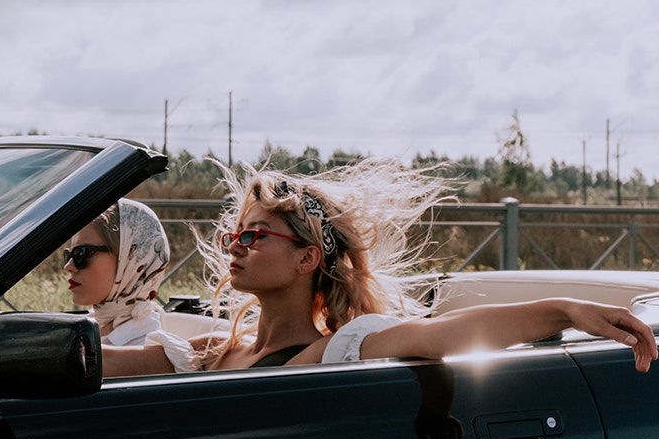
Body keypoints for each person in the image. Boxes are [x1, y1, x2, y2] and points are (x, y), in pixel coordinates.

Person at [103, 159, 657, 377]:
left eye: (255, 235)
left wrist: (563, 309)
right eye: (234, 234)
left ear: (307, 258)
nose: (236, 246)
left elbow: (443, 335)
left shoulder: (334, 350)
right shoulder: (209, 350)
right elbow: (101, 363)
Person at [64, 198, 170, 347]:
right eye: (69, 255)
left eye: (81, 254)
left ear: (129, 258)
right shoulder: (96, 326)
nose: (68, 266)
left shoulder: (144, 346)